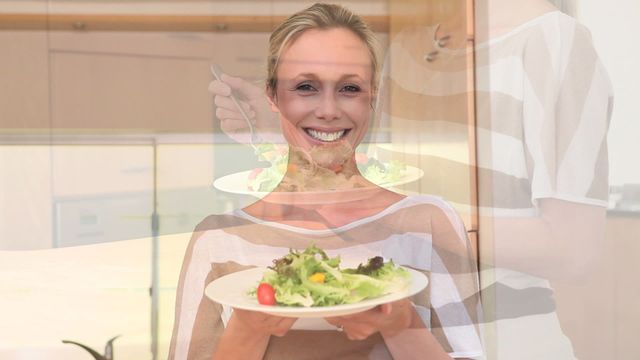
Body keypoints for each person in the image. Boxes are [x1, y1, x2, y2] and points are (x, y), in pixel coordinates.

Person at [208, 1, 613, 359]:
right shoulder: (408, 46)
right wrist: (277, 125)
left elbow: (573, 250)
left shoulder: (555, 42)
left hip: (505, 342)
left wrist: (408, 217)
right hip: (393, 338)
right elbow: (363, 165)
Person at [169, 3, 482, 360]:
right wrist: (249, 328)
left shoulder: (426, 223)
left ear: (372, 97)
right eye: (306, 87)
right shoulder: (218, 240)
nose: (329, 110)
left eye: (349, 88)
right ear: (272, 96)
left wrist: (399, 323)